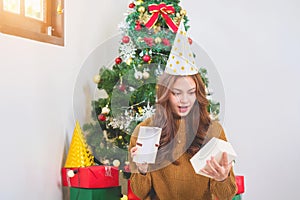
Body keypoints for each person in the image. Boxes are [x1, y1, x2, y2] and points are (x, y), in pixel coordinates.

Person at [128, 21, 237, 200]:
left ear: (198, 94)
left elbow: (226, 195)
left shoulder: (213, 130)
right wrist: (141, 169)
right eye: (177, 93)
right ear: (166, 94)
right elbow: (140, 193)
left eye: (191, 92)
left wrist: (223, 178)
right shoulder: (145, 131)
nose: (185, 100)